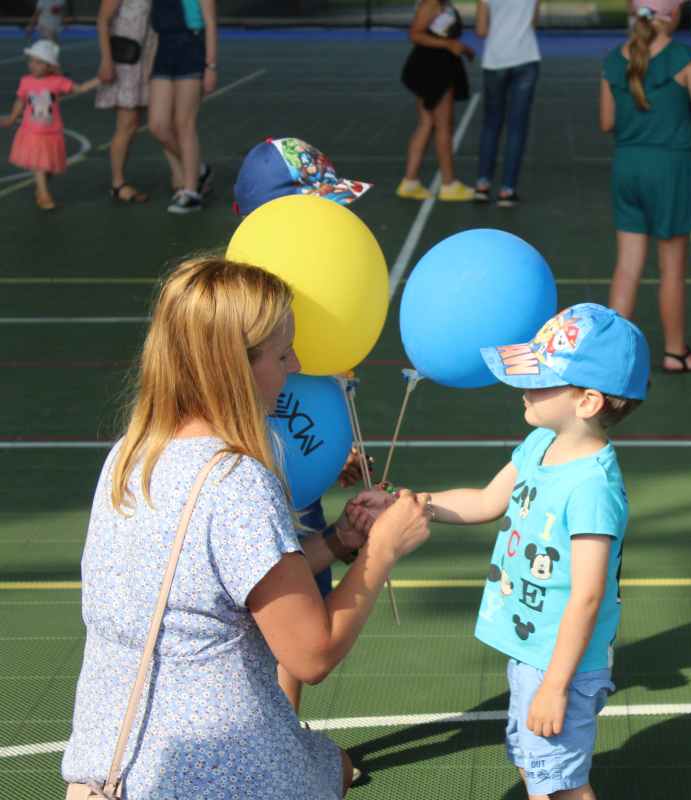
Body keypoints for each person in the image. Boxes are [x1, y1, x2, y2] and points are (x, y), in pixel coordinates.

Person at [60, 257, 432, 798]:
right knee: (332, 768)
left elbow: (221, 582)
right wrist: (382, 551)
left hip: (115, 763)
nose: (295, 365)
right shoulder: (236, 482)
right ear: (233, 367)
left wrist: (339, 540)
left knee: (333, 765)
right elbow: (311, 653)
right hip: (216, 773)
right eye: (282, 354)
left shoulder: (129, 455)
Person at [422, 302, 650, 800]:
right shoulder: (539, 443)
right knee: (534, 766)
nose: (523, 387)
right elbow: (487, 501)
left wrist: (555, 686)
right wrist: (419, 504)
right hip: (532, 653)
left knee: (564, 787)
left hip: (562, 665)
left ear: (587, 401)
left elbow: (587, 596)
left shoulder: (592, 487)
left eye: (540, 380)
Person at [232, 136, 373, 721]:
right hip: (248, 491)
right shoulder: (236, 313)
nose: (331, 227)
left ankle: (287, 730)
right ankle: (269, 735)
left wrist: (338, 448)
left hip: (301, 490)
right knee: (263, 623)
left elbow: (327, 383)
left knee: (304, 603)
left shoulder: (319, 288)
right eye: (318, 209)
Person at [600, 0, 691, 373]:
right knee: (671, 270)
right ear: (674, 14)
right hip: (669, 171)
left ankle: (610, 358)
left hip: (627, 167)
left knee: (627, 267)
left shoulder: (613, 61)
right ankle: (675, 352)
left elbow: (606, 122)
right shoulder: (686, 59)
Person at [1, 40, 99, 211]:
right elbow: (20, 101)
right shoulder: (26, 81)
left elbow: (80, 88)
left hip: (52, 133)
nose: (33, 65)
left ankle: (41, 190)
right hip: (32, 132)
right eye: (31, 61)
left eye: (39, 62)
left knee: (49, 167)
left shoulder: (57, 81)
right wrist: (11, 118)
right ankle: (45, 196)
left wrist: (99, 80)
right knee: (40, 165)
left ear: (49, 66)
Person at [397, 0, 477, 202]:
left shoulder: (443, 3)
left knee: (427, 123)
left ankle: (410, 182)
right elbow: (415, 34)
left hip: (435, 65)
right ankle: (449, 184)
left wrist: (462, 48)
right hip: (434, 68)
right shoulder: (432, 3)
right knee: (443, 126)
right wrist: (449, 44)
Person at [147, 0, 217, 214]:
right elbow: (154, 31)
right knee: (158, 126)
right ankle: (198, 169)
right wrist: (148, 66)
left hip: (190, 49)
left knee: (183, 123)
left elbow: (210, 22)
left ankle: (191, 192)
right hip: (163, 52)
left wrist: (211, 66)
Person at [474, 0, 542, 206]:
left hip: (495, 59)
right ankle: (507, 190)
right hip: (525, 58)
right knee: (517, 128)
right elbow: (534, 23)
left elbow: (481, 30)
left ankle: (482, 185)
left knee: (491, 125)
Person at [96, 0, 155, 204]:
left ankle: (181, 178)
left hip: (147, 58)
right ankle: (118, 183)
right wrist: (106, 60)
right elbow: (103, 20)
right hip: (125, 60)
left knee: (137, 123)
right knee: (126, 124)